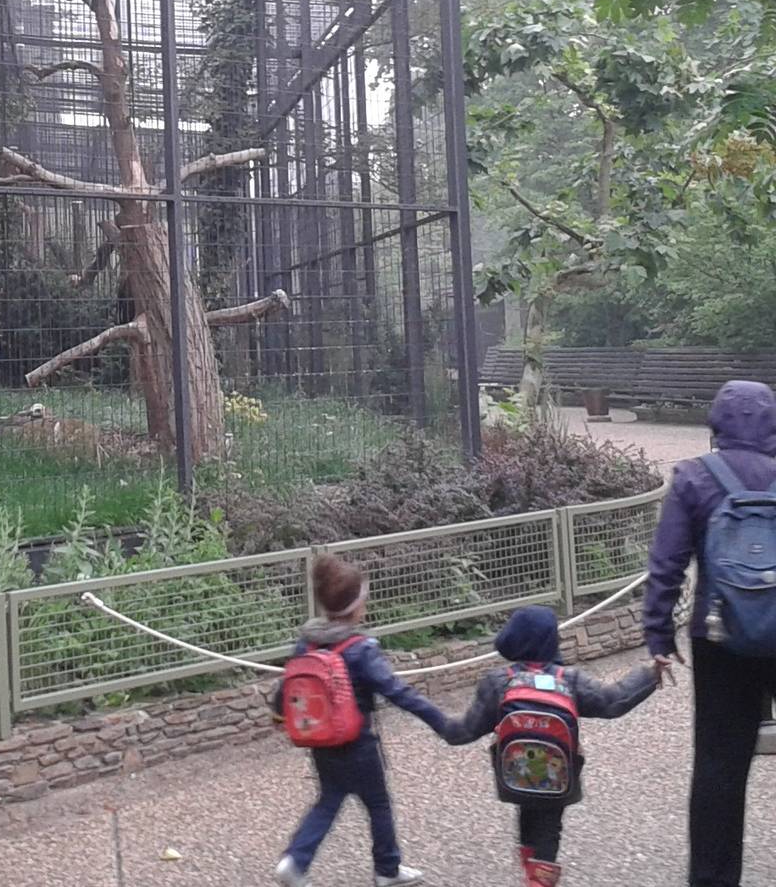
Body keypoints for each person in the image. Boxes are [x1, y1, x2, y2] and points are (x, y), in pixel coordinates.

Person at [643, 379, 776, 887]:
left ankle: (714, 878)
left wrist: (658, 636)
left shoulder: (695, 478)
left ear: (715, 424)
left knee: (719, 767)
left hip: (719, 636)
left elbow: (667, 564)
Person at [439, 604, 657, 885]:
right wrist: (651, 673)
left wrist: (424, 711)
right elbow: (613, 702)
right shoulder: (569, 681)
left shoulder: (498, 682)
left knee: (528, 810)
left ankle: (531, 869)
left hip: (514, 778)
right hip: (558, 779)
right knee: (549, 825)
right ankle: (539, 877)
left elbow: (464, 731)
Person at [273, 553, 447, 887]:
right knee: (378, 804)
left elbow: (287, 684)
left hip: (321, 740)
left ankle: (294, 860)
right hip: (359, 743)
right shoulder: (361, 648)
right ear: (357, 606)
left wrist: (279, 713)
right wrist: (439, 721)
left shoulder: (307, 642)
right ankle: (387, 869)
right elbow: (395, 690)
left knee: (327, 801)